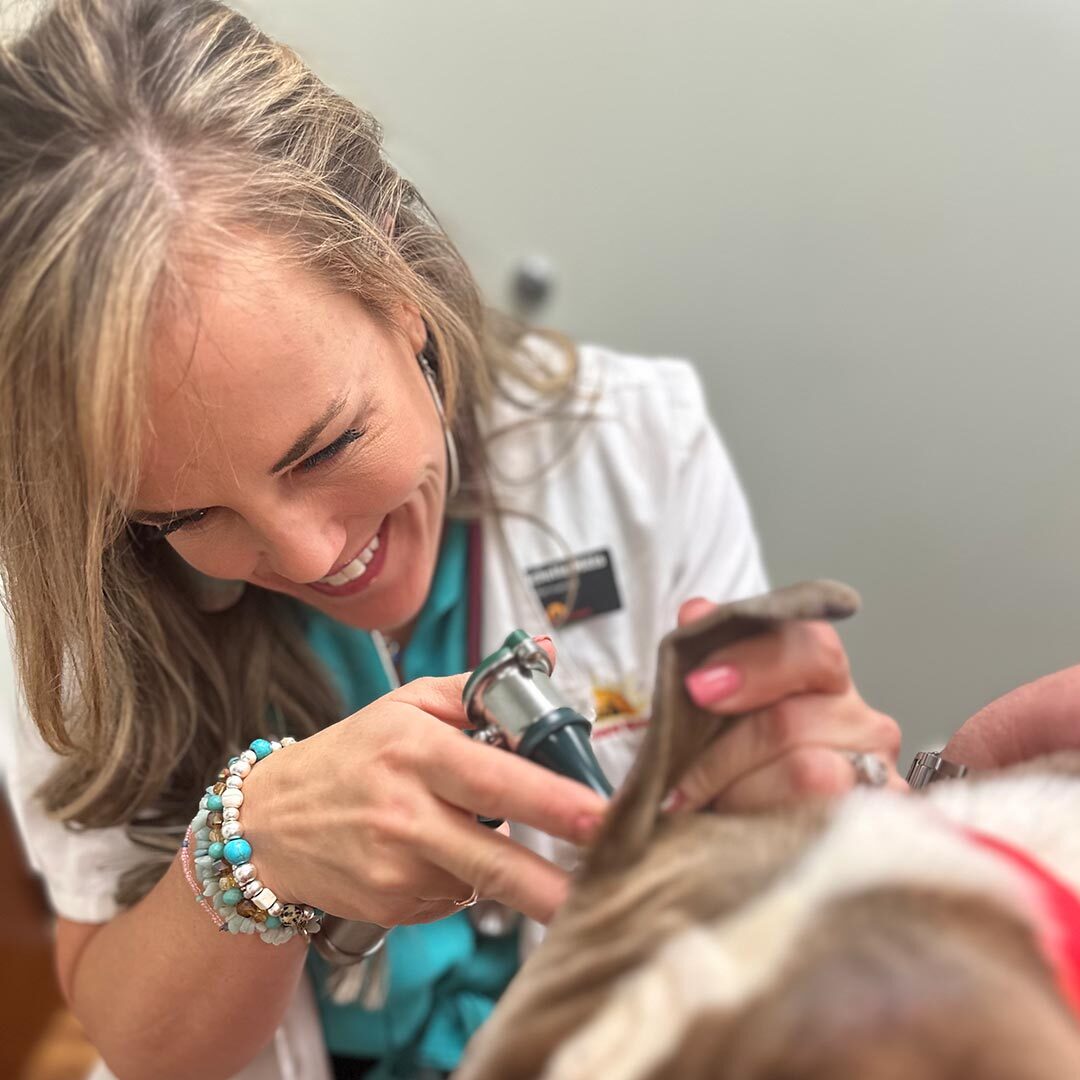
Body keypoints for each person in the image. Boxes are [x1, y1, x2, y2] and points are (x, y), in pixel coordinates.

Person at [0, 2, 902, 1078]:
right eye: (185, 516)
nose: (305, 555)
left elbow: (743, 898)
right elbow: (141, 1036)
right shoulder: (64, 590)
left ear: (400, 290)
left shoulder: (638, 444)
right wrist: (250, 857)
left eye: (324, 446)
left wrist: (809, 814)